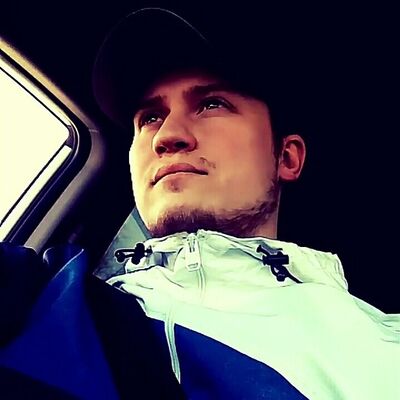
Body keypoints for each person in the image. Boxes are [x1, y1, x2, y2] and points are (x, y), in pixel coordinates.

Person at [92, 7, 400, 400]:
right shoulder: (62, 305)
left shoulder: (383, 351)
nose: (165, 136)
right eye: (150, 118)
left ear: (285, 157)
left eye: (211, 104)